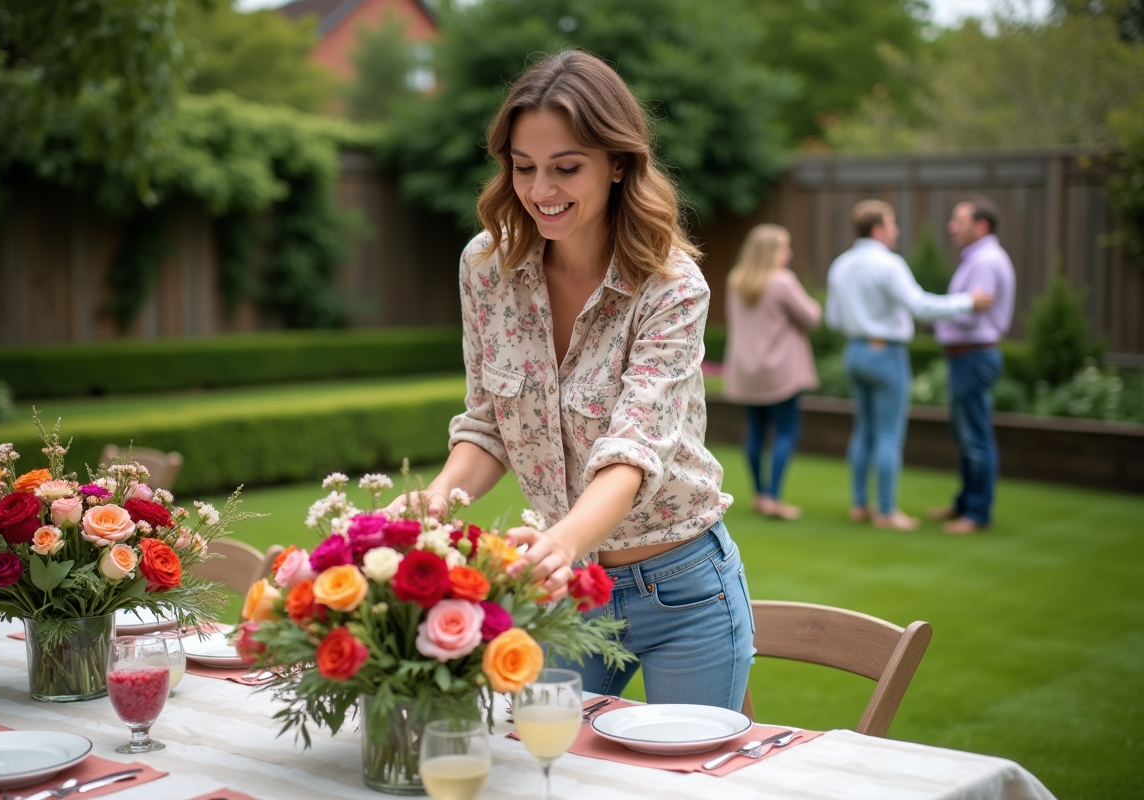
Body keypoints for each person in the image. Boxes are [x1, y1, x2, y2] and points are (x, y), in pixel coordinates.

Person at [386, 51, 754, 709]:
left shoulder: (671, 288)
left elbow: (633, 449)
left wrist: (558, 543)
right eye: (524, 168)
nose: (540, 190)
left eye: (566, 168)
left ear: (618, 163)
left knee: (687, 782)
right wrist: (438, 497)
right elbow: (488, 424)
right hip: (568, 587)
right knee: (540, 767)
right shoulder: (485, 268)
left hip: (682, 588)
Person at [825, 200, 994, 531]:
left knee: (863, 430)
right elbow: (920, 306)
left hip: (854, 352)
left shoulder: (840, 265)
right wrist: (968, 301)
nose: (896, 231)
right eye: (892, 224)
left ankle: (860, 505)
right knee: (888, 433)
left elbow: (832, 319)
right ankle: (887, 511)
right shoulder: (889, 264)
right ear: (877, 230)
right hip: (885, 354)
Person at [927, 197, 1016, 535]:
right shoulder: (980, 259)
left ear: (981, 226)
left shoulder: (984, 262)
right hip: (968, 355)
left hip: (974, 355)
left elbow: (972, 311)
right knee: (966, 435)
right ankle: (964, 503)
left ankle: (977, 513)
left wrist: (936, 311)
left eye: (958, 220)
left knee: (975, 436)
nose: (952, 226)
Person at [723, 224, 822, 520]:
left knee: (755, 432)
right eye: (784, 247)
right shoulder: (783, 281)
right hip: (781, 373)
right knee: (785, 431)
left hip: (746, 371)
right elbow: (812, 317)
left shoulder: (736, 281)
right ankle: (775, 498)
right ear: (771, 252)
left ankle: (760, 494)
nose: (789, 254)